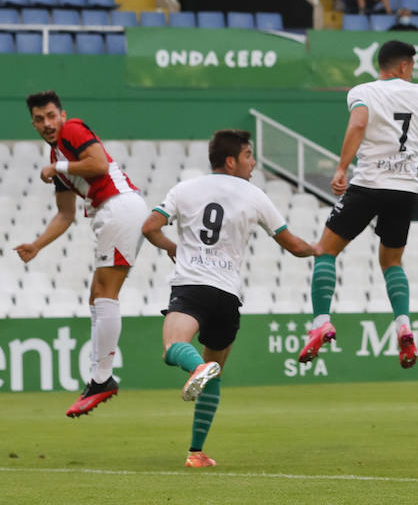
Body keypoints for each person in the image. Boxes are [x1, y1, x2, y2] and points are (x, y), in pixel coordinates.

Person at [140, 129, 318, 468]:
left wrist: (172, 247)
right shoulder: (255, 196)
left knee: (172, 348)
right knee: (216, 375)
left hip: (192, 286)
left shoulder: (185, 188)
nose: (253, 163)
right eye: (249, 155)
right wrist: (319, 249)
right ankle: (196, 453)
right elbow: (293, 245)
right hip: (227, 294)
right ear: (231, 160)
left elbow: (150, 226)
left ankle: (197, 367)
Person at [297, 41, 418, 372]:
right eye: (411, 65)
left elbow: (358, 124)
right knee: (391, 261)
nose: (412, 71)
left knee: (325, 251)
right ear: (402, 67)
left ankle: (321, 322)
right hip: (405, 188)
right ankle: (403, 324)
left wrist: (342, 167)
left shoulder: (363, 91)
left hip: (369, 184)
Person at [16, 90, 150, 417]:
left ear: (62, 114)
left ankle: (102, 378)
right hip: (112, 212)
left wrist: (59, 165)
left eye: (51, 115)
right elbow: (65, 214)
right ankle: (99, 376)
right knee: (97, 295)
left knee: (105, 294)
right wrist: (37, 244)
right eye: (39, 119)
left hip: (118, 207)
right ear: (32, 124)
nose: (47, 123)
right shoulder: (57, 162)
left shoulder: (72, 130)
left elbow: (99, 164)